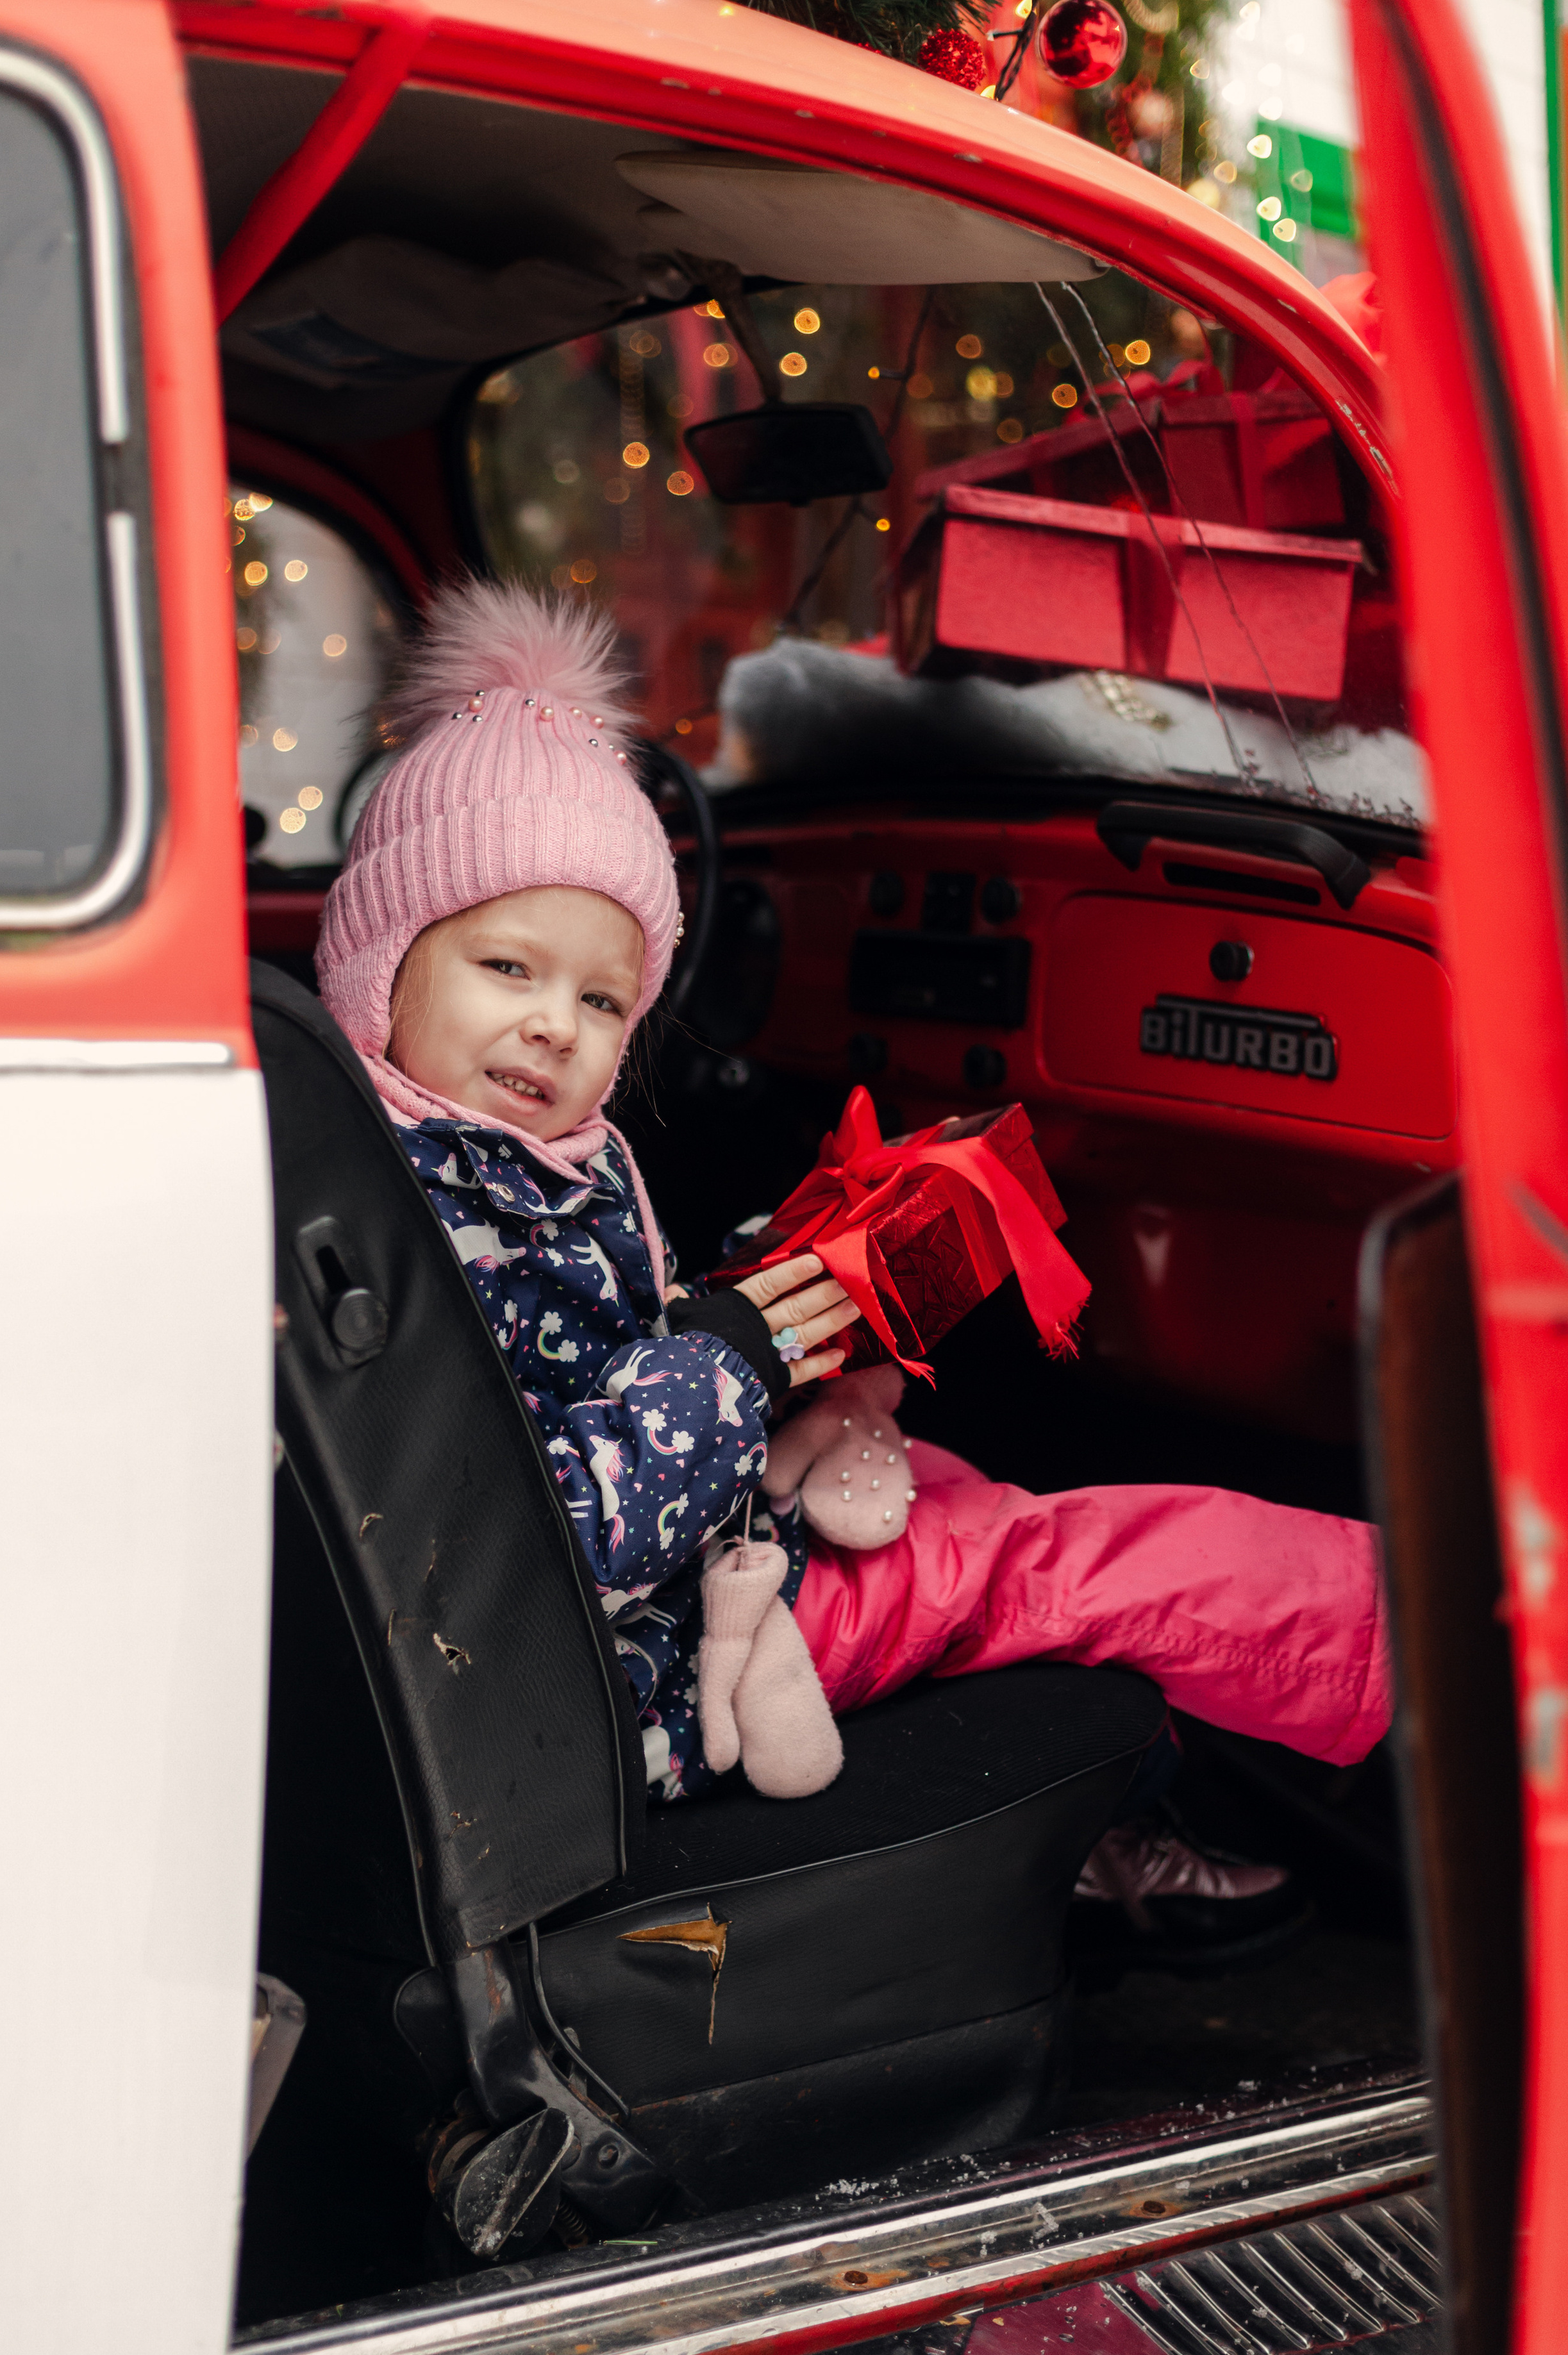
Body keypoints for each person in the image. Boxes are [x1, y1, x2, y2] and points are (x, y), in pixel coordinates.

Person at [315, 579, 1389, 1942]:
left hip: (678, 1577)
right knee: (1054, 1559)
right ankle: (1436, 1654)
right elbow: (530, 1549)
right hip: (639, 1673)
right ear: (381, 963)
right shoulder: (428, 1215)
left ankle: (1096, 1822)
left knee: (960, 1491)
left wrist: (754, 1297)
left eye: (601, 998)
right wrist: (727, 1359)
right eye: (505, 968)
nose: (555, 1029)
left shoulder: (503, 1158)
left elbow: (589, 1361)